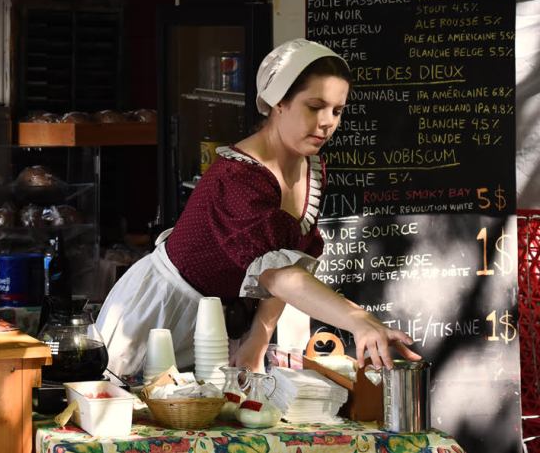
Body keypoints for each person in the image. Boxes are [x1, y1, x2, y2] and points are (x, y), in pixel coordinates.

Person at [97, 39, 420, 377]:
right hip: (164, 314)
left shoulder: (311, 169)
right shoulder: (238, 176)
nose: (328, 122)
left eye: (337, 111)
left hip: (220, 323)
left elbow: (285, 259)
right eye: (315, 106)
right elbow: (277, 274)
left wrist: (259, 337)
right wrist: (357, 320)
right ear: (279, 102)